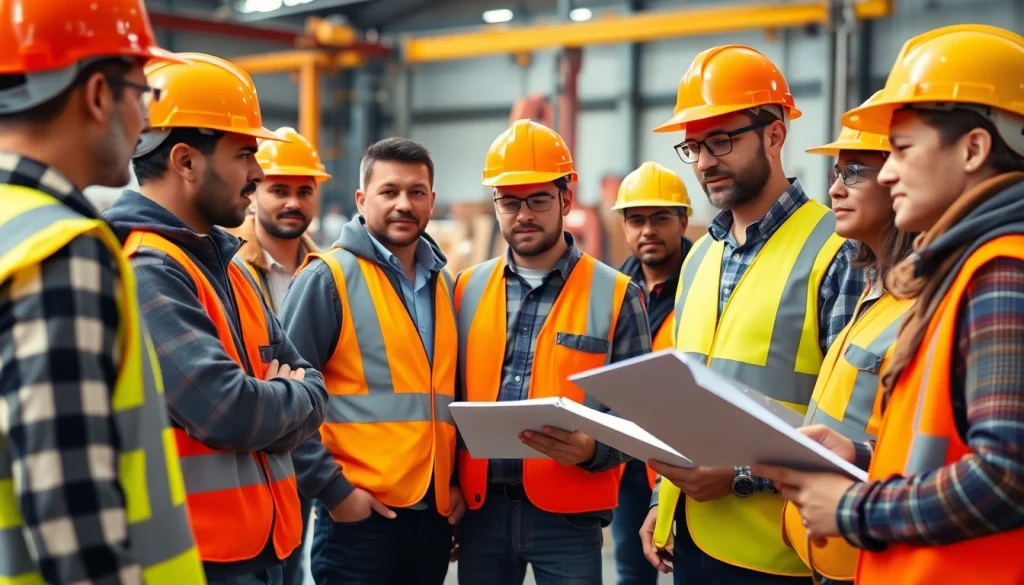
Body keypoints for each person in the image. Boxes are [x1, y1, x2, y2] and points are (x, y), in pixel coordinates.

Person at [754, 24, 1024, 585]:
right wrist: (859, 453)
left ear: (974, 148)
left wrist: (855, 506)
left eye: (900, 150)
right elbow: (946, 447)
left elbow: (1006, 477)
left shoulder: (1002, 273)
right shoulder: (967, 269)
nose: (890, 171)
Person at [638, 44, 867, 585]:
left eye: (720, 140)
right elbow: (689, 395)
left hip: (781, 548)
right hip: (691, 535)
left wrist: (740, 476)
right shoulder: (699, 256)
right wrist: (660, 499)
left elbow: (845, 428)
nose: (703, 162)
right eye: (692, 147)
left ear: (775, 133)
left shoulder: (836, 250)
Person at [0, 2, 207, 584]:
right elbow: (71, 511)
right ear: (96, 94)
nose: (145, 119)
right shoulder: (59, 249)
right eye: (143, 93)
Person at [103, 52, 329, 585]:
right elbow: (227, 412)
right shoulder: (147, 267)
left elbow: (311, 379)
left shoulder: (225, 264)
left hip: (267, 549)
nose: (257, 172)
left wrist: (288, 395)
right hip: (201, 559)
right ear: (185, 161)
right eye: (245, 153)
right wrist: (291, 398)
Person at [455, 119, 652, 585]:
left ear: (566, 199)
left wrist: (592, 449)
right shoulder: (465, 289)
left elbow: (640, 414)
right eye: (509, 201)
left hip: (569, 517)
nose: (523, 214)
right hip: (481, 512)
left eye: (539, 199)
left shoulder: (617, 295)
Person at [280, 137, 462, 585]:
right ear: (363, 199)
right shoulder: (327, 278)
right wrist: (334, 492)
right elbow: (282, 403)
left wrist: (454, 485)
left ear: (432, 200)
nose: (404, 204)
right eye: (390, 191)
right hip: (359, 522)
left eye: (417, 192)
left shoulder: (444, 285)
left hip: (432, 519)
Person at [779, 108, 915, 585]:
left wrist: (856, 458)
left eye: (854, 173)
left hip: (872, 554)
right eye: (837, 173)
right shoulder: (871, 289)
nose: (835, 188)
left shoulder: (924, 304)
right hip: (826, 554)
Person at [610, 161, 693, 585]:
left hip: (690, 453)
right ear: (624, 226)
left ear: (683, 220)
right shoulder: (615, 288)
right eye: (637, 220)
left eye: (660, 218)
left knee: (692, 569)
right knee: (631, 571)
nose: (648, 230)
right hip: (630, 458)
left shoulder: (706, 280)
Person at [233, 127, 328, 312]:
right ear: (251, 197)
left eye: (304, 192)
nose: (293, 203)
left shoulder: (331, 272)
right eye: (279, 191)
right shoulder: (226, 265)